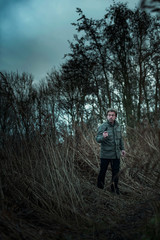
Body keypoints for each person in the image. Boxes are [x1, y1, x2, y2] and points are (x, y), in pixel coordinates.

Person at [96, 108, 126, 194]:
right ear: (107, 116)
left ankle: (114, 189)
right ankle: (99, 189)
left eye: (112, 115)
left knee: (116, 173)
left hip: (116, 155)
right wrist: (103, 137)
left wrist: (122, 149)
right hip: (105, 154)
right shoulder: (103, 126)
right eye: (109, 115)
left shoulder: (118, 126)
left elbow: (120, 139)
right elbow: (97, 139)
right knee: (102, 172)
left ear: (115, 116)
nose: (111, 117)